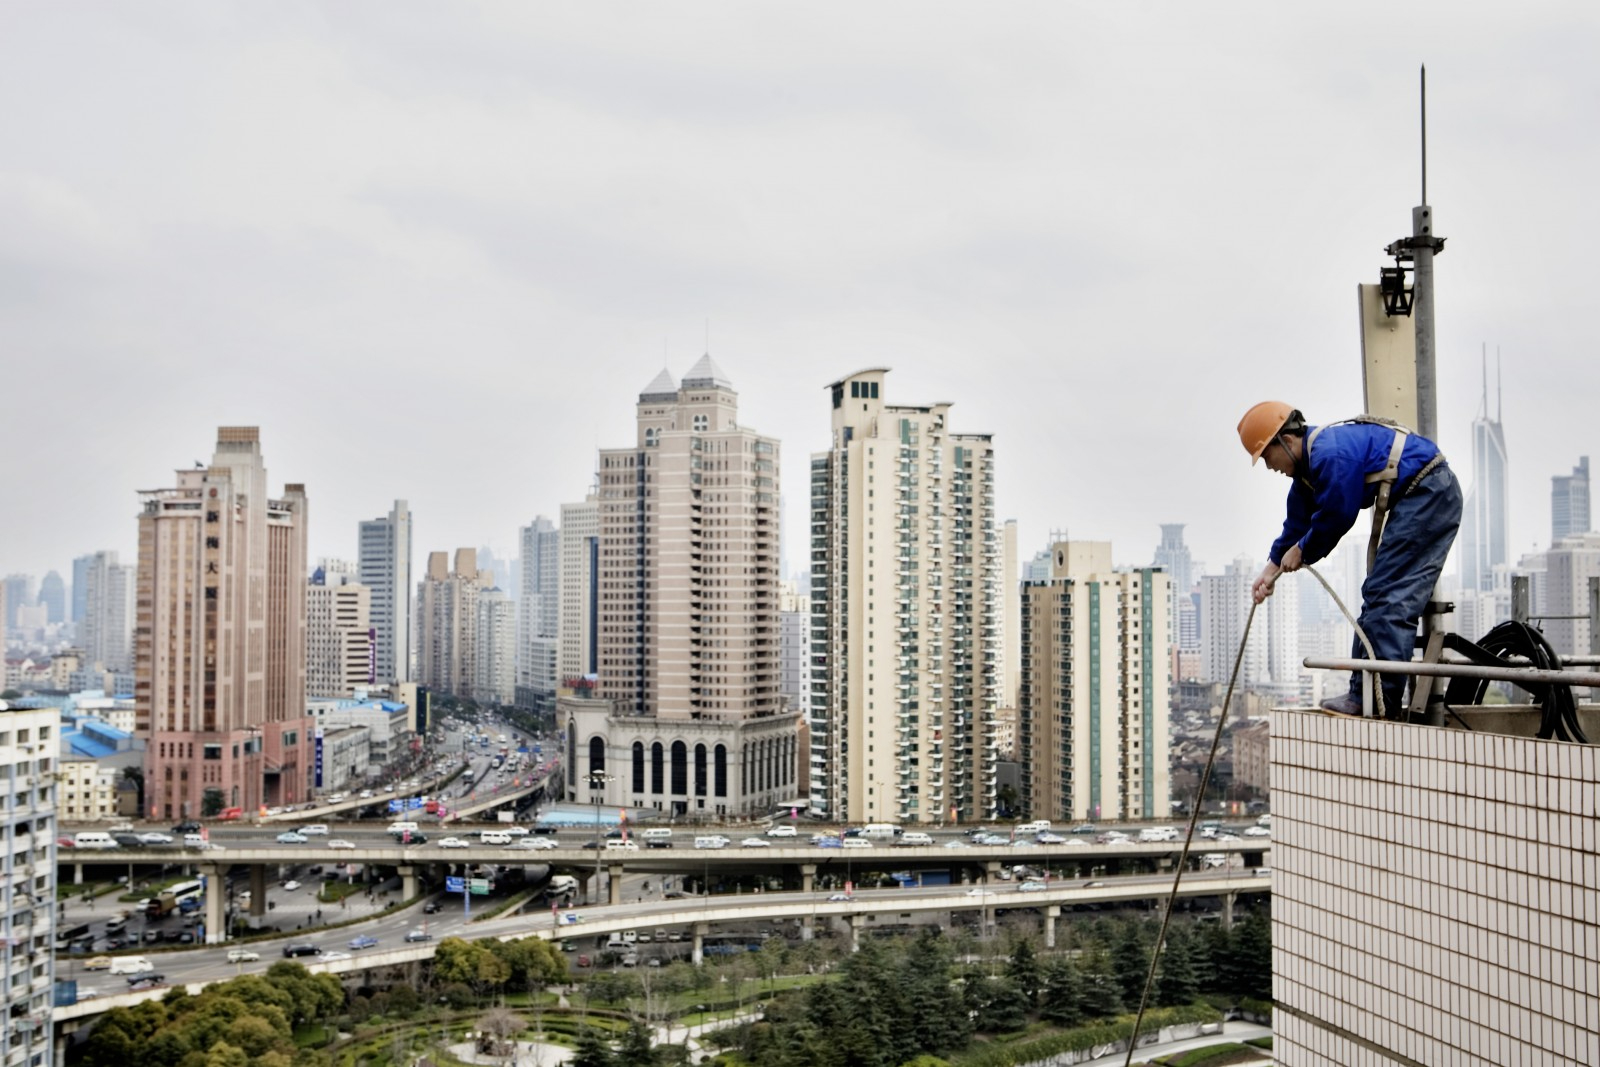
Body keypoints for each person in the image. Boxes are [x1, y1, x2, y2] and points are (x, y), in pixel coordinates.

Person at [1239, 401, 1462, 716]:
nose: (1268, 466)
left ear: (1286, 442)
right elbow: (1297, 523)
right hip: (1422, 494)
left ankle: (1377, 701)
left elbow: (1336, 514)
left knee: (1389, 597)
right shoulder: (1308, 471)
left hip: (1429, 492)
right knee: (1377, 595)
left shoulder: (1330, 455)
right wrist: (1270, 570)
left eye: (1266, 457)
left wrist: (1303, 550)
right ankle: (1366, 695)